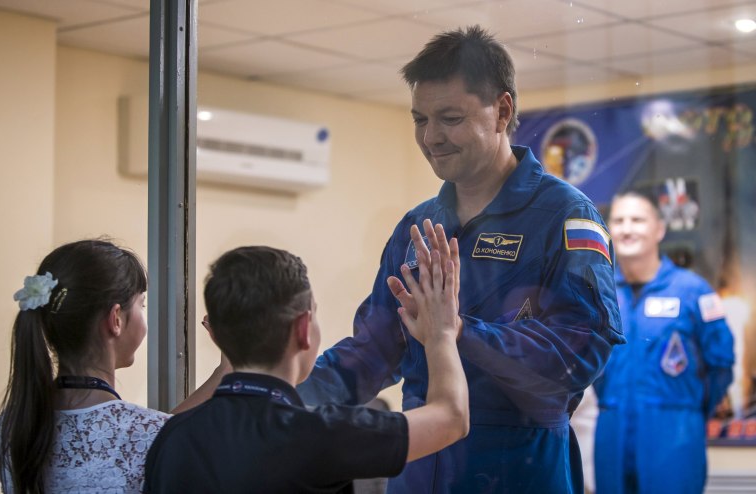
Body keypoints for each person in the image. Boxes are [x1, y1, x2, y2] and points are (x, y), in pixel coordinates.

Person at [298, 25, 624, 493]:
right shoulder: (418, 227)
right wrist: (282, 399)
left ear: (502, 111)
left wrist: (458, 332)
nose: (431, 137)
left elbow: (577, 357)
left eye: (449, 118)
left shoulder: (565, 217)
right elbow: (372, 351)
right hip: (419, 463)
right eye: (419, 119)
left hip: (518, 467)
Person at [143, 224, 469, 493]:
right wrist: (441, 331)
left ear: (216, 335)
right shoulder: (323, 434)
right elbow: (451, 418)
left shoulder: (171, 439)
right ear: (303, 329)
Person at [0, 239, 228, 494]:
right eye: (142, 304)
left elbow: (153, 430)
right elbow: (150, 434)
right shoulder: (146, 434)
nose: (144, 314)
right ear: (116, 319)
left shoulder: (11, 425)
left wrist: (222, 372)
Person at [594, 191, 735, 494]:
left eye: (638, 220)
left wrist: (687, 412)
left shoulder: (693, 292)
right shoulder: (599, 295)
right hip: (612, 430)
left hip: (674, 434)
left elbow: (721, 366)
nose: (627, 228)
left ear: (659, 229)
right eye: (618, 220)